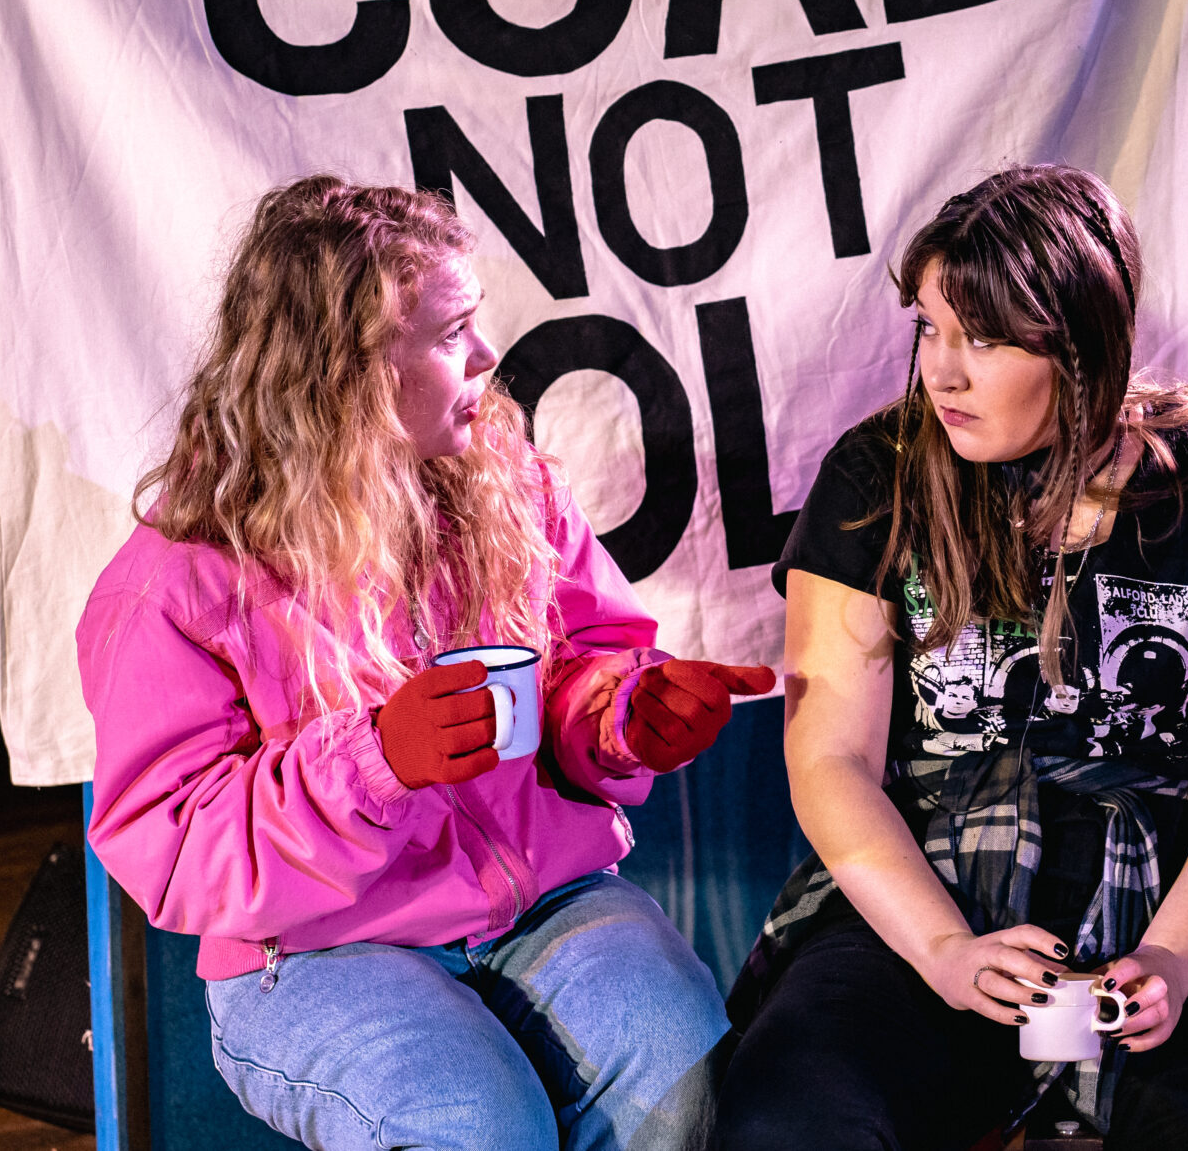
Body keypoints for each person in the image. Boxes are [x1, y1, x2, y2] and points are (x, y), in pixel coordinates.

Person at [78, 177, 773, 1151]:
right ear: (340, 368)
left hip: (544, 900)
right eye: (451, 335)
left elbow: (587, 661)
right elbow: (175, 847)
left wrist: (626, 716)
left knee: (676, 1067)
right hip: (317, 951)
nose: (488, 358)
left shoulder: (509, 485)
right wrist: (374, 763)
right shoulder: (177, 581)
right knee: (476, 1124)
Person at [718, 164, 1188, 1151]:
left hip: (1171, 885)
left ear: (1081, 349)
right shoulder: (874, 473)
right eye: (929, 328)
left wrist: (1174, 960)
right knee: (787, 1118)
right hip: (931, 884)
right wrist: (943, 952)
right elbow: (829, 757)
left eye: (984, 339)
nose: (942, 371)